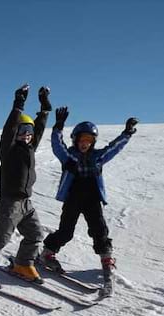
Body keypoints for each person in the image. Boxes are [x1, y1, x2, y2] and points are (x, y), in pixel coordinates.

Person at [39, 107, 138, 292]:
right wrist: (58, 127)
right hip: (73, 198)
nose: (85, 143)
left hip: (92, 199)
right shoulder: (68, 156)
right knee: (66, 231)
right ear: (76, 140)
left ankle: (106, 258)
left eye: (89, 140)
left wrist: (127, 133)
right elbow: (57, 145)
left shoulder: (98, 157)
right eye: (82, 139)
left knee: (99, 229)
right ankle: (46, 254)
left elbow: (114, 148)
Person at [0, 84, 51, 288]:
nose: (27, 134)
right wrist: (18, 105)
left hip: (26, 203)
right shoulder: (8, 150)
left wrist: (44, 109)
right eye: (22, 131)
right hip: (10, 203)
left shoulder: (29, 148)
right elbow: (9, 131)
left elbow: (38, 131)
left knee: (35, 235)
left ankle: (23, 264)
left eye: (29, 131)